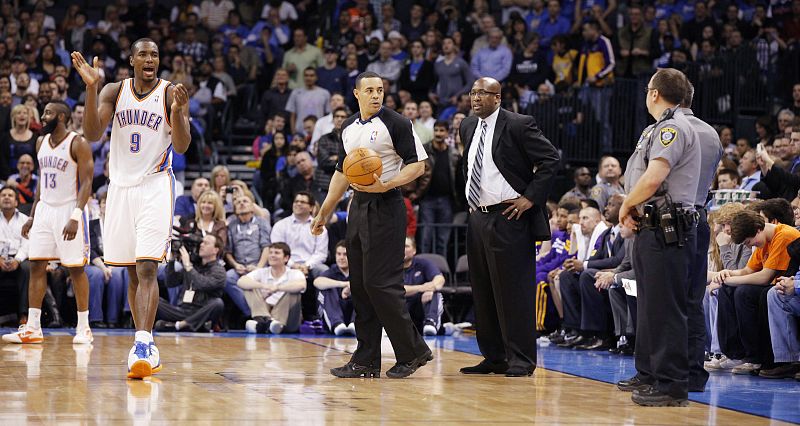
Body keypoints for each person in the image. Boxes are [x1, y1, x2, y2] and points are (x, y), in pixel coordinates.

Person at [70, 38, 192, 379]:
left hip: (155, 184)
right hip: (120, 187)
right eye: (144, 54)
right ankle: (145, 340)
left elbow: (181, 146)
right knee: (130, 270)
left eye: (155, 53)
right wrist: (92, 89)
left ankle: (142, 342)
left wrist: (180, 114)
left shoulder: (170, 93)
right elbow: (93, 134)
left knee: (147, 267)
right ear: (132, 60)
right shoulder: (113, 89)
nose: (150, 58)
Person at [311, 71, 433, 379]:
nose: (376, 95)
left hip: (388, 205)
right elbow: (342, 173)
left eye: (380, 90)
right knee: (361, 287)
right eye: (370, 90)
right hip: (358, 206)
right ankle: (365, 359)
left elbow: (419, 165)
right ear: (356, 93)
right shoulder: (348, 127)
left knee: (382, 285)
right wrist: (324, 212)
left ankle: (413, 351)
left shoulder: (397, 123)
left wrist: (388, 184)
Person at [459, 76, 560, 377]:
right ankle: (494, 357)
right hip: (478, 215)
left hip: (509, 216)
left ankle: (521, 359)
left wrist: (530, 198)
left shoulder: (518, 124)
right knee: (483, 289)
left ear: (498, 98)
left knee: (512, 291)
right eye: (473, 92)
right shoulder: (466, 126)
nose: (476, 98)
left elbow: (550, 159)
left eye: (483, 94)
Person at [617, 68, 699, 406]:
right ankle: (653, 374)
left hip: (668, 228)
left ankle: (672, 385)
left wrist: (625, 205)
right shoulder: (659, 127)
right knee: (651, 306)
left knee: (665, 309)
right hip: (651, 226)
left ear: (654, 93)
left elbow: (653, 179)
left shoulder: (672, 128)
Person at [2, 102, 95, 345]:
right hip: (44, 209)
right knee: (36, 265)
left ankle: (84, 327)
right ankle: (33, 327)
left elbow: (87, 182)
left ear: (62, 117)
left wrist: (76, 215)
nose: (42, 117)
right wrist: (33, 215)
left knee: (75, 268)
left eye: (48, 113)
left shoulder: (78, 143)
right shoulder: (41, 143)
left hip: (69, 208)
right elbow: (42, 181)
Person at [681, 81, 723, 393]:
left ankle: (664, 371)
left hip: (673, 220)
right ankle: (694, 372)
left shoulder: (670, 129)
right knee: (693, 301)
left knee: (666, 301)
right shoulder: (711, 133)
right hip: (699, 215)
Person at [271, 191, 329, 320]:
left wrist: (306, 266)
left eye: (302, 202)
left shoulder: (320, 227)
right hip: (286, 263)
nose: (298, 204)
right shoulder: (281, 225)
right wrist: (293, 265)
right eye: (296, 201)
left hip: (311, 265)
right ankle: (279, 315)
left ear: (312, 207)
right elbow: (276, 249)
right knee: (275, 264)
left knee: (324, 271)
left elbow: (321, 253)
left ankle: (322, 315)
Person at [155, 234, 225, 332]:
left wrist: (188, 266)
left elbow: (203, 284)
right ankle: (190, 325)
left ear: (215, 250)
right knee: (154, 300)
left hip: (202, 312)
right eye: (202, 242)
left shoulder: (219, 271)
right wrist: (171, 260)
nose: (201, 245)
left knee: (218, 303)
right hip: (182, 311)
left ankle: (180, 325)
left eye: (206, 243)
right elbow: (170, 283)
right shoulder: (193, 265)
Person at [240, 242, 306, 334]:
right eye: (270, 253)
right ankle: (265, 321)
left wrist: (277, 288)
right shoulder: (262, 272)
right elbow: (241, 281)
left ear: (286, 258)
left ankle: (263, 324)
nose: (272, 255)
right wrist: (263, 286)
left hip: (287, 318)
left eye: (277, 253)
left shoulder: (294, 273)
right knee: (250, 287)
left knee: (294, 292)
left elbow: (301, 285)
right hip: (266, 309)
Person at [402, 237, 446, 335]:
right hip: (401, 308)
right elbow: (398, 290)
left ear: (414, 250)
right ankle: (445, 329)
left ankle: (431, 323)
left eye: (406, 246)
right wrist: (422, 287)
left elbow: (440, 279)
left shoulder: (423, 263)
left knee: (435, 293)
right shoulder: (391, 267)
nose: (402, 249)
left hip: (419, 307)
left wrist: (431, 288)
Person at [0, 187, 31, 326]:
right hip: (0, 257)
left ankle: (23, 315)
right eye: (3, 195)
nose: (6, 197)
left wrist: (17, 260)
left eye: (10, 195)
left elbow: (27, 244)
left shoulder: (25, 220)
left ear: (16, 202)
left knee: (27, 268)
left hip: (19, 258)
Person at [314, 241, 355, 336]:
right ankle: (337, 324)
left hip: (351, 310)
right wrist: (345, 284)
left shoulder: (358, 271)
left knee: (364, 289)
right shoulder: (332, 271)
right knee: (327, 288)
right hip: (330, 312)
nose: (341, 257)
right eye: (339, 254)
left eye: (345, 254)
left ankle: (355, 324)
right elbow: (317, 282)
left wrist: (350, 288)